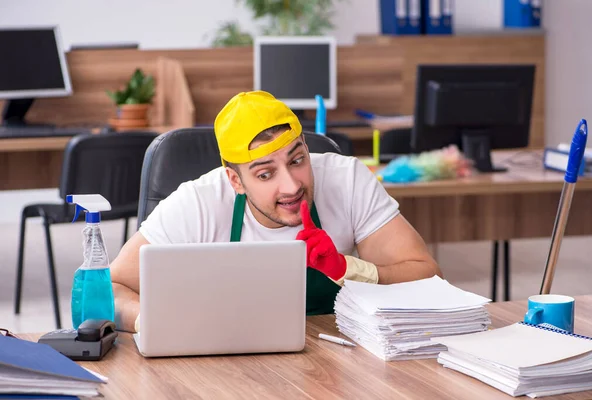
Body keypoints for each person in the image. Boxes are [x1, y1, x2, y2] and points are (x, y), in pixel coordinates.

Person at [110, 90, 441, 332]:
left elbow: (427, 276)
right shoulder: (198, 203)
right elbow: (107, 290)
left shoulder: (347, 179)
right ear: (235, 180)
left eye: (297, 160)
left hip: (335, 363)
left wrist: (349, 268)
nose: (292, 186)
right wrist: (157, 323)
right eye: (265, 174)